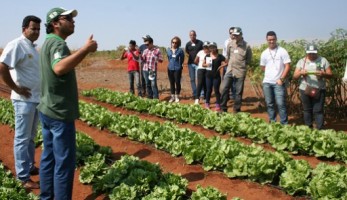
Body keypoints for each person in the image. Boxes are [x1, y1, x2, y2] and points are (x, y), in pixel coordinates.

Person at [38, 7, 97, 200]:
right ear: (55, 23)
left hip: (46, 109)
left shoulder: (46, 42)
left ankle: (46, 197)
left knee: (49, 158)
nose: (73, 21)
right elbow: (59, 68)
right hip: (59, 113)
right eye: (68, 18)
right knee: (64, 163)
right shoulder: (57, 44)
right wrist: (85, 50)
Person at [0, 15, 41, 190]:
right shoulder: (17, 44)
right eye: (33, 28)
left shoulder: (32, 48)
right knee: (22, 138)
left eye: (39, 29)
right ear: (24, 29)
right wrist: (16, 89)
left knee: (31, 137)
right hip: (23, 100)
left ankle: (29, 166)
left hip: (35, 100)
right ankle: (23, 177)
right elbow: (2, 66)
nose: (36, 32)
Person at [293, 43, 332, 129]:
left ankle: (320, 129)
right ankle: (308, 129)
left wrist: (323, 73)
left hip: (319, 89)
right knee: (307, 110)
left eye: (313, 53)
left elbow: (330, 74)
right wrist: (300, 73)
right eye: (309, 53)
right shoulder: (301, 61)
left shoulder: (323, 60)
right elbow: (294, 76)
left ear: (317, 52)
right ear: (306, 53)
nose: (311, 55)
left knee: (318, 110)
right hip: (305, 89)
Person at [260, 31, 291, 125]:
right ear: (266, 40)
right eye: (269, 40)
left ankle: (284, 124)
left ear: (276, 39)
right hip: (267, 82)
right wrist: (270, 74)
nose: (271, 41)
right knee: (269, 104)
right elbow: (262, 67)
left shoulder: (282, 51)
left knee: (280, 103)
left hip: (278, 82)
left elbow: (288, 66)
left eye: (273, 39)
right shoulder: (264, 53)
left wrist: (281, 79)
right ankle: (272, 122)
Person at [220, 27, 252, 113]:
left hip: (240, 71)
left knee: (238, 92)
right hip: (230, 69)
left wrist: (242, 66)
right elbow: (228, 56)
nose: (235, 37)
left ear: (241, 35)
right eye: (234, 35)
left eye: (237, 35)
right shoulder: (230, 44)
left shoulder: (247, 46)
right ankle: (223, 108)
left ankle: (236, 110)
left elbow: (248, 59)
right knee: (224, 88)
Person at [203, 42, 227, 111]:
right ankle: (207, 103)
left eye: (213, 47)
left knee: (216, 90)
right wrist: (206, 65)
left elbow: (227, 62)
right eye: (210, 47)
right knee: (208, 90)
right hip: (208, 76)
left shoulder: (220, 56)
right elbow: (203, 64)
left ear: (216, 48)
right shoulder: (207, 56)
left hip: (216, 77)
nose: (212, 49)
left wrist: (221, 66)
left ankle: (218, 104)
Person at [185, 30, 203, 98]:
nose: (192, 36)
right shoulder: (188, 44)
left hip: (199, 64)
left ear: (196, 35)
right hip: (190, 64)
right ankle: (195, 94)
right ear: (189, 36)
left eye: (194, 35)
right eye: (191, 35)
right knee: (192, 79)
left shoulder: (200, 43)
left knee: (199, 79)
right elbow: (187, 52)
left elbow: (204, 52)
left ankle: (201, 94)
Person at [167, 36, 185, 103]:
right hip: (170, 68)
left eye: (176, 43)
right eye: (173, 42)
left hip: (177, 68)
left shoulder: (180, 50)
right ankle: (172, 96)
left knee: (177, 82)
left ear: (178, 43)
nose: (174, 44)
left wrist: (180, 65)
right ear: (171, 43)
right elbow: (169, 58)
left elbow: (182, 59)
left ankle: (177, 96)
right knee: (171, 82)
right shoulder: (168, 50)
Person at [222, 26, 236, 100]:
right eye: (230, 33)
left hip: (235, 64)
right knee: (225, 80)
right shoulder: (226, 41)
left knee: (234, 81)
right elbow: (224, 53)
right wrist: (225, 61)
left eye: (233, 33)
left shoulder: (238, 41)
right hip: (227, 63)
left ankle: (233, 95)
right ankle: (226, 96)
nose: (232, 35)